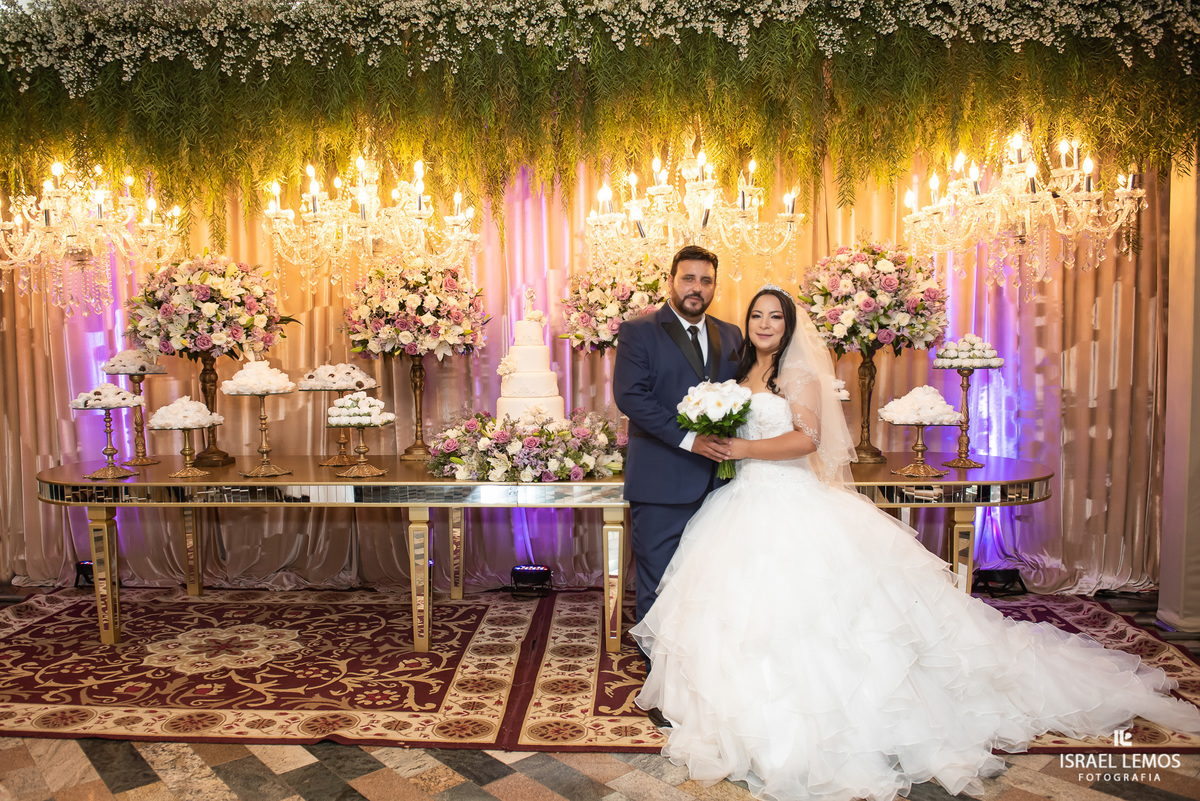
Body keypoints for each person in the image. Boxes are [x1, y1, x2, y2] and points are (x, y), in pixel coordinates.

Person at [631, 285, 1200, 801]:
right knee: (735, 616)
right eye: (756, 314)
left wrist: (744, 452)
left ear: (788, 325)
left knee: (827, 619)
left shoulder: (797, 375)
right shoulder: (740, 372)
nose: (763, 323)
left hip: (787, 499)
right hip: (740, 504)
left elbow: (808, 438)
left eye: (774, 316)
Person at [614, 244, 744, 633]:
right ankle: (658, 666)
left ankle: (700, 660)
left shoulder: (732, 333)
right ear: (671, 281)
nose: (697, 288)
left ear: (714, 287)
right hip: (661, 481)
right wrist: (690, 440)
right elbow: (631, 397)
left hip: (723, 482)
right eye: (688, 278)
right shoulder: (639, 331)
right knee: (661, 579)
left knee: (711, 578)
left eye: (706, 281)